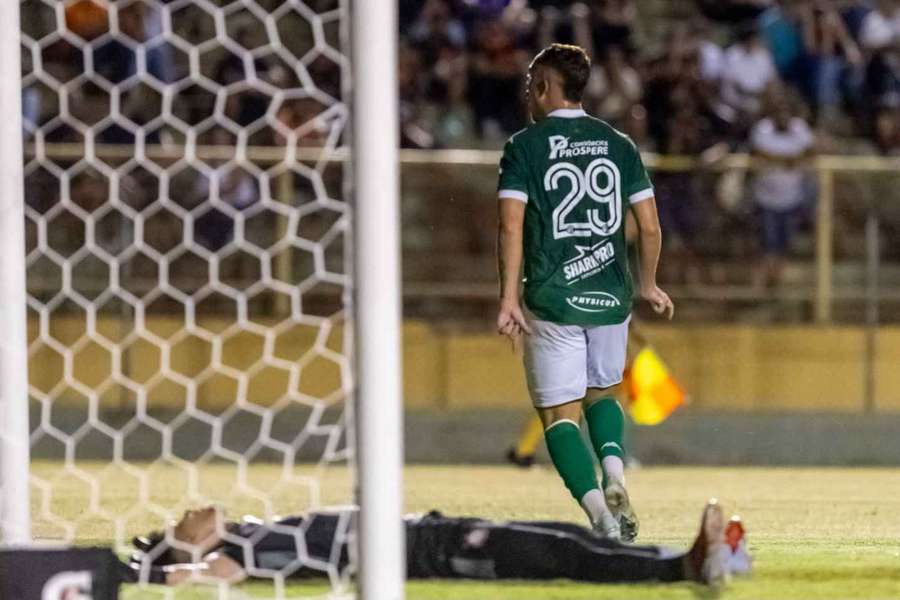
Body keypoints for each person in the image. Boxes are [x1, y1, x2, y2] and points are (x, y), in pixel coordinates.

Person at [495, 43, 674, 541]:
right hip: (611, 297)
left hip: (552, 298)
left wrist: (509, 298)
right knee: (603, 394)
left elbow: (511, 228)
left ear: (545, 87)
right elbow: (652, 228)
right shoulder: (618, 144)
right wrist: (649, 282)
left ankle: (601, 517)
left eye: (534, 84)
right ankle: (615, 473)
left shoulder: (524, 147)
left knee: (558, 415)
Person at [123, 500, 746, 588]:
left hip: (434, 527)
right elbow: (219, 573)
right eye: (181, 521)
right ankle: (686, 569)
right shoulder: (246, 554)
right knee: (560, 557)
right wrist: (185, 572)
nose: (192, 508)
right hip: (439, 551)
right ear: (185, 545)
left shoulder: (256, 528)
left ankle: (696, 558)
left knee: (569, 535)